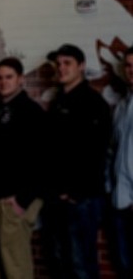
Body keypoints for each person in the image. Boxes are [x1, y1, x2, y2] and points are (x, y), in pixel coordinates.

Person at [39, 43, 111, 279]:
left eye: (67, 63)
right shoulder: (60, 102)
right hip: (56, 200)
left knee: (81, 265)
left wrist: (73, 192)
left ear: (81, 66)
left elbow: (95, 153)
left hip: (81, 200)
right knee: (59, 262)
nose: (61, 68)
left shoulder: (93, 103)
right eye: (58, 64)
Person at [0, 57, 46, 279]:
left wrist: (23, 200)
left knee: (15, 268)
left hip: (12, 202)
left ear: (20, 79)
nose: (3, 82)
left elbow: (43, 161)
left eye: (9, 77)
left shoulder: (31, 112)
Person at [109, 46, 133, 278]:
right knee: (123, 265)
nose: (131, 70)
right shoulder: (123, 106)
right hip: (121, 200)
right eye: (128, 65)